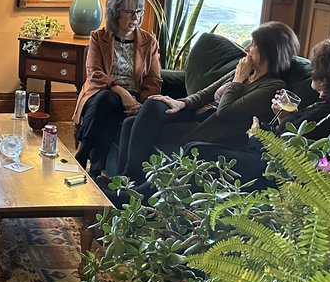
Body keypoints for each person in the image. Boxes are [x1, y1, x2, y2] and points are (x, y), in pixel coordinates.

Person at [110, 37, 330, 207]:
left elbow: (286, 155)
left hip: (266, 167)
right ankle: (132, 189)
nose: (313, 73)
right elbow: (293, 138)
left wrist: (259, 134)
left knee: (196, 151)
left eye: (318, 69)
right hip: (259, 154)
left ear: (327, 78)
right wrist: (284, 118)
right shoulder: (329, 107)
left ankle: (137, 198)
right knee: (162, 128)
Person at [112, 21, 299, 187]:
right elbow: (205, 93)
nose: (248, 48)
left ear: (269, 52)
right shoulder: (247, 69)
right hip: (197, 114)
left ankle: (129, 183)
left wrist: (238, 80)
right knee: (151, 107)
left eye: (254, 44)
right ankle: (124, 180)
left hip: (210, 129)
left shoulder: (271, 86)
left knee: (131, 124)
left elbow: (225, 112)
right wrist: (182, 103)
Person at [72, 0, 162, 178]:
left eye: (139, 12)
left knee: (108, 108)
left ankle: (84, 154)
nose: (135, 17)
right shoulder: (99, 37)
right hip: (100, 91)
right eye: (129, 12)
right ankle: (94, 165)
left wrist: (140, 104)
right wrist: (122, 92)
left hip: (134, 98)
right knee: (107, 99)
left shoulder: (149, 42)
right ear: (115, 13)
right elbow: (94, 73)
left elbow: (153, 79)